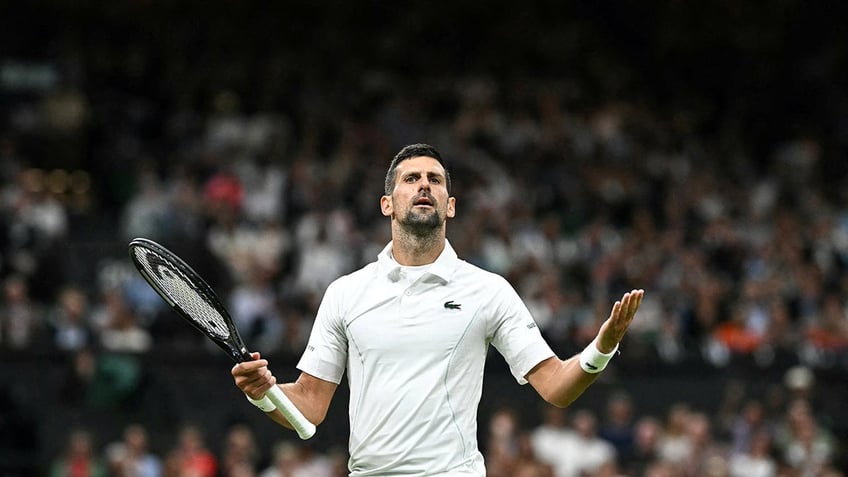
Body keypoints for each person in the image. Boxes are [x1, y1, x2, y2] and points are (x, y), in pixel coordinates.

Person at [232, 144, 645, 476]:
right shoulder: (345, 293)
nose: (424, 186)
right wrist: (264, 393)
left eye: (435, 180)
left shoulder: (488, 290)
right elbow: (308, 405)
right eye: (411, 179)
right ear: (387, 204)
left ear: (450, 205)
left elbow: (556, 386)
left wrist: (602, 347)